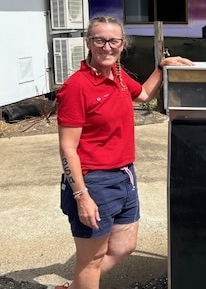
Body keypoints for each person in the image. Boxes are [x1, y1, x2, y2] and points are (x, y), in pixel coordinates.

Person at [52, 16, 194, 289]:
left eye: (113, 41)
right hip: (93, 181)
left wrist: (162, 67)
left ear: (122, 44)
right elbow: (67, 147)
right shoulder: (77, 87)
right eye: (100, 40)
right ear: (89, 42)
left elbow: (142, 95)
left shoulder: (117, 75)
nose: (107, 47)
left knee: (125, 246)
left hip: (125, 176)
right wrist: (82, 196)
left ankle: (77, 286)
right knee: (90, 260)